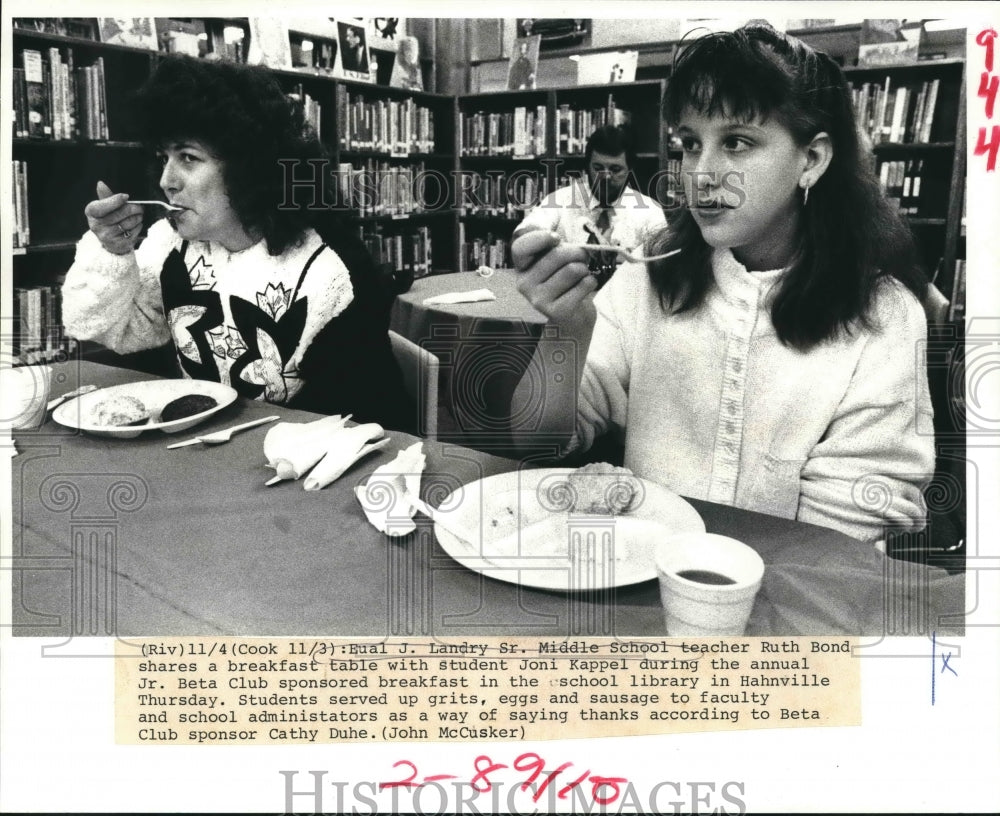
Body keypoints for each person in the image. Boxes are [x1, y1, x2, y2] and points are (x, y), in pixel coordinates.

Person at [509, 23, 934, 543]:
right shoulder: (650, 275)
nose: (701, 174)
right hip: (638, 581)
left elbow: (844, 539)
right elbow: (537, 442)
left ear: (812, 159)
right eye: (690, 143)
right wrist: (566, 331)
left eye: (736, 142)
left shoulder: (881, 313)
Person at [62, 55, 413, 432]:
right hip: (205, 450)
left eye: (188, 157)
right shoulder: (169, 244)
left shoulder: (330, 271)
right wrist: (113, 254)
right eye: (164, 157)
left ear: (249, 167)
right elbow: (109, 329)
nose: (167, 180)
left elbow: (369, 419)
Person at [515, 125, 666, 288]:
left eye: (615, 170)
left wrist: (635, 263)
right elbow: (521, 239)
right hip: (567, 299)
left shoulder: (650, 210)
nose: (606, 177)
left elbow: (667, 263)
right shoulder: (561, 200)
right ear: (587, 167)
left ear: (630, 170)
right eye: (598, 168)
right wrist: (543, 243)